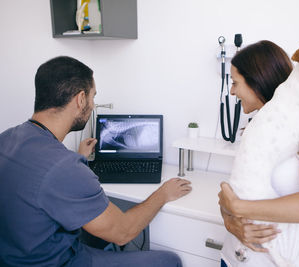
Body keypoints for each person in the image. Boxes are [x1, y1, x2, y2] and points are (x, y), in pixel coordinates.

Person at [0, 56, 192, 267]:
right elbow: (123, 232)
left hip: (16, 256)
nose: (92, 105)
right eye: (93, 97)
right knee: (170, 261)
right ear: (80, 99)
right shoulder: (65, 167)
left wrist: (79, 158)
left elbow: (42, 181)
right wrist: (162, 194)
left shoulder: (7, 138)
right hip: (58, 261)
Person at [218, 41, 299, 266]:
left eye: (235, 83)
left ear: (257, 81)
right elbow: (231, 194)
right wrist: (229, 221)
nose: (232, 91)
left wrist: (237, 208)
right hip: (232, 258)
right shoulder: (258, 127)